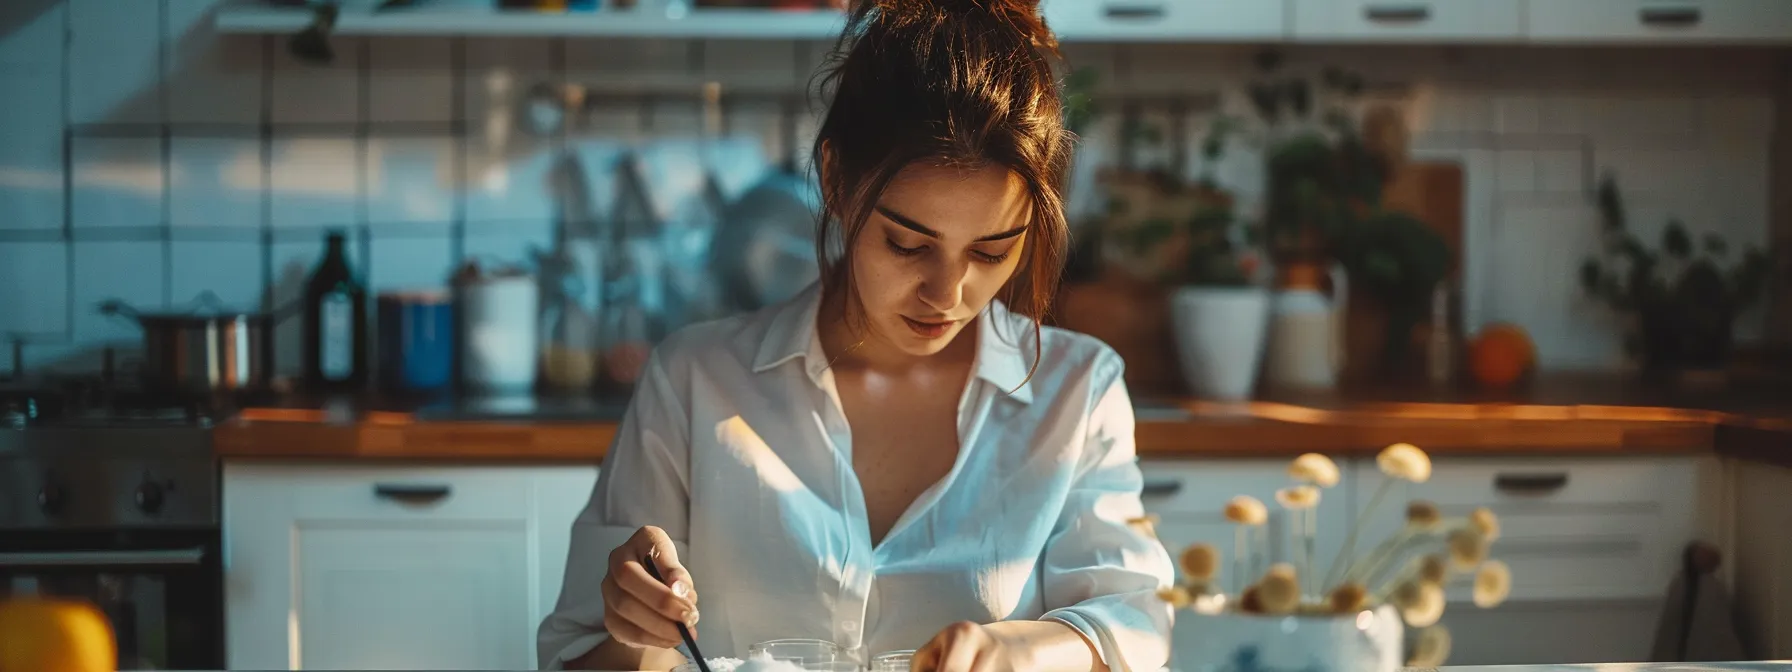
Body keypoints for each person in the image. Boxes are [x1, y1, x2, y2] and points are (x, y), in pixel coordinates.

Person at [536, 0, 1175, 669]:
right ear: (837, 180)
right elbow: (580, 659)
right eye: (907, 244)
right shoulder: (693, 380)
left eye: (991, 253)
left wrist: (1017, 652)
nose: (947, 294)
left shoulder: (1078, 388)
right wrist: (635, 631)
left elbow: (1133, 621)